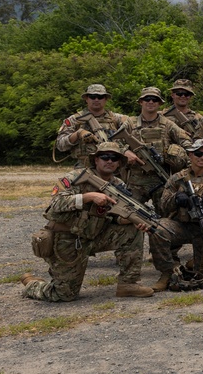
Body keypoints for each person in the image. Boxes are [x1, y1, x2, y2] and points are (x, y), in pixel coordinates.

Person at [21, 142, 154, 302]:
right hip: (66, 239)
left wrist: (129, 220)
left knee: (132, 230)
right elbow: (56, 203)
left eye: (114, 158)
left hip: (94, 235)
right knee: (64, 295)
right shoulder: (75, 177)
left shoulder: (118, 185)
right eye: (105, 157)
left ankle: (128, 284)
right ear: (96, 160)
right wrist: (88, 197)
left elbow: (115, 217)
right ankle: (32, 285)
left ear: (119, 162)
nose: (109, 161)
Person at [153, 139, 203, 284]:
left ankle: (195, 262)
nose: (202, 157)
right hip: (181, 225)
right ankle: (167, 272)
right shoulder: (177, 178)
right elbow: (163, 205)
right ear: (190, 155)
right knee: (157, 229)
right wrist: (176, 198)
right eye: (198, 154)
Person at [123, 87, 191, 203]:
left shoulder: (168, 124)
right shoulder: (130, 123)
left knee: (166, 216)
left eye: (154, 99)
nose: (150, 102)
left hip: (161, 180)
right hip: (136, 181)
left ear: (159, 103)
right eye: (147, 99)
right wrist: (124, 151)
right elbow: (112, 142)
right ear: (140, 102)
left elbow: (187, 143)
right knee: (129, 215)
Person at [55, 84, 134, 169]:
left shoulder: (117, 119)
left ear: (105, 99)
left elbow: (133, 137)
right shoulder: (75, 120)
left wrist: (125, 151)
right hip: (85, 168)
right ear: (86, 99)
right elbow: (60, 145)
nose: (96, 100)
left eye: (100, 97)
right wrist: (78, 134)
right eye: (93, 96)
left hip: (112, 168)